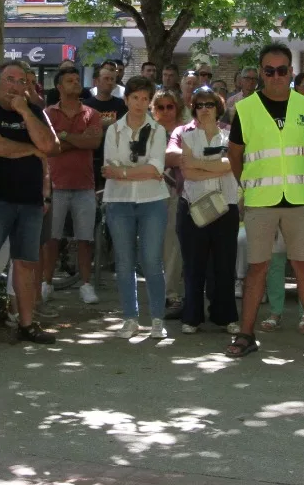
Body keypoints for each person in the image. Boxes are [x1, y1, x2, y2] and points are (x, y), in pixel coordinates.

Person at [227, 43, 304, 359]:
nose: (275, 76)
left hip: (297, 198)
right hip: (261, 199)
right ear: (260, 73)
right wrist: (249, 185)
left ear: (290, 72)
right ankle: (246, 336)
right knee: (257, 268)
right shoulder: (244, 109)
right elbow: (234, 155)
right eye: (268, 70)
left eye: (281, 70)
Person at [0, 61, 59, 345]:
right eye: (10, 80)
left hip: (30, 201)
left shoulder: (33, 111)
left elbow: (52, 146)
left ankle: (27, 324)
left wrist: (24, 112)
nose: (15, 86)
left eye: (21, 81)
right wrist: (32, 149)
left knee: (27, 264)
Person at [103, 75, 171, 338]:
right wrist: (137, 172)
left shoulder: (158, 130)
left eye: (145, 98)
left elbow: (157, 168)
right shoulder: (113, 129)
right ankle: (130, 318)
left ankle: (157, 319)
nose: (140, 103)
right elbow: (109, 167)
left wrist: (123, 172)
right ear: (126, 99)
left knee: (152, 261)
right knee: (124, 262)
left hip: (152, 200)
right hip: (118, 202)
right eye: (135, 98)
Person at [169, 87, 240, 333]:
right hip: (193, 207)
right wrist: (216, 166)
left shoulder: (230, 134)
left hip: (226, 206)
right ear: (194, 108)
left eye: (209, 104)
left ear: (218, 107)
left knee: (224, 265)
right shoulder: (187, 136)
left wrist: (201, 163)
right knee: (194, 265)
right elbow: (187, 172)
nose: (205, 109)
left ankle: (226, 316)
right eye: (199, 105)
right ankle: (192, 317)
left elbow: (232, 163)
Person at [43, 66, 103, 304]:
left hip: (84, 185)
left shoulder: (92, 113)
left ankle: (86, 285)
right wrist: (79, 140)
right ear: (59, 87)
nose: (76, 83)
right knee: (52, 238)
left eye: (77, 80)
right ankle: (46, 283)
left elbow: (94, 141)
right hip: (56, 184)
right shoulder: (48, 113)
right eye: (70, 80)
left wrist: (65, 136)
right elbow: (50, 145)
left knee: (85, 238)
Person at [153, 90, 187, 316]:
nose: (166, 111)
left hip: (177, 190)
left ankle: (172, 294)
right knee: (154, 245)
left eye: (170, 106)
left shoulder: (186, 130)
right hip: (149, 192)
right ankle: (160, 292)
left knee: (173, 244)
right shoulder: (148, 130)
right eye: (161, 107)